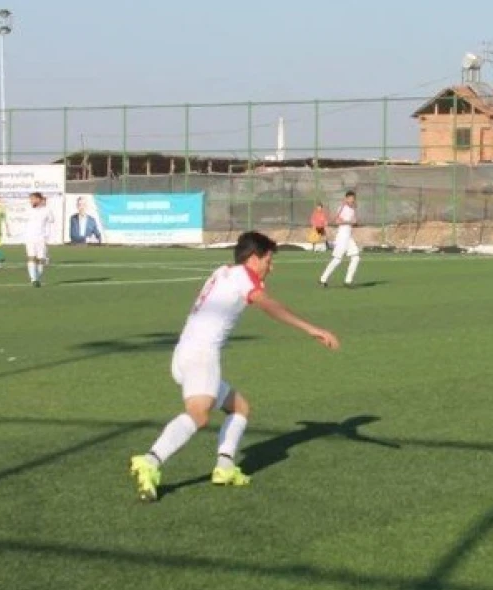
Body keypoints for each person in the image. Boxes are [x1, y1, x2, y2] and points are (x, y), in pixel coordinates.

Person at [128, 231, 340, 502]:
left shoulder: (224, 271)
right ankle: (151, 460)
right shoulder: (244, 277)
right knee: (199, 414)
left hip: (184, 354)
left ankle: (225, 466)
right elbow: (268, 305)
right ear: (253, 259)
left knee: (239, 408)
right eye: (268, 260)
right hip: (201, 356)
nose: (271, 268)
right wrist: (311, 329)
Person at [318, 190, 361, 287]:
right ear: (346, 199)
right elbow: (337, 221)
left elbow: (354, 222)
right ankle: (322, 279)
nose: (351, 201)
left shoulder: (353, 209)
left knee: (356, 257)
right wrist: (350, 222)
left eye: (353, 199)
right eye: (349, 199)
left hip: (348, 236)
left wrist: (355, 223)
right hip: (342, 235)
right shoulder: (342, 208)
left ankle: (348, 281)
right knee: (337, 259)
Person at [24, 192, 54, 287]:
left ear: (38, 199)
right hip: (30, 237)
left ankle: (37, 277)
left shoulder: (46, 210)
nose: (31, 201)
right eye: (30, 199)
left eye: (33, 199)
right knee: (31, 257)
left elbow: (52, 219)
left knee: (41, 260)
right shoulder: (28, 209)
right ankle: (33, 279)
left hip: (41, 238)